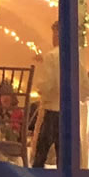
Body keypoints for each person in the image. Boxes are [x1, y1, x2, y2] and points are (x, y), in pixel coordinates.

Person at [30, 22, 69, 168]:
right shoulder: (75, 55)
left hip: (53, 111)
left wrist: (40, 89)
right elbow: (85, 90)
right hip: (69, 113)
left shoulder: (52, 56)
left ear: (58, 34)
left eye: (54, 33)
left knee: (41, 152)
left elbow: (49, 84)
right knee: (63, 156)